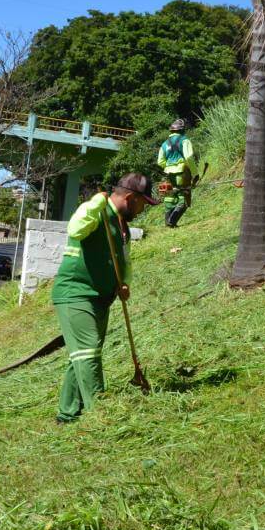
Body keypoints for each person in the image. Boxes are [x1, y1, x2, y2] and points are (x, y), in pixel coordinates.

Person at [51, 172, 159, 423]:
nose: (143, 209)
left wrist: (124, 282)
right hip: (76, 293)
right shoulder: (95, 211)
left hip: (101, 297)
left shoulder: (122, 226)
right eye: (142, 203)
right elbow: (75, 229)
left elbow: (124, 259)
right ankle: (101, 416)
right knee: (88, 352)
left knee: (82, 354)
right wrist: (96, 202)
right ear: (130, 198)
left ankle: (67, 413)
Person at [156, 118, 199, 228]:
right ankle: (172, 221)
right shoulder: (184, 140)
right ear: (182, 130)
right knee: (184, 197)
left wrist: (169, 167)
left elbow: (160, 161)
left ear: (172, 131)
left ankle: (167, 221)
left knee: (170, 196)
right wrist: (195, 173)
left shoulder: (164, 144)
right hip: (182, 173)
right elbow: (188, 157)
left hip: (168, 174)